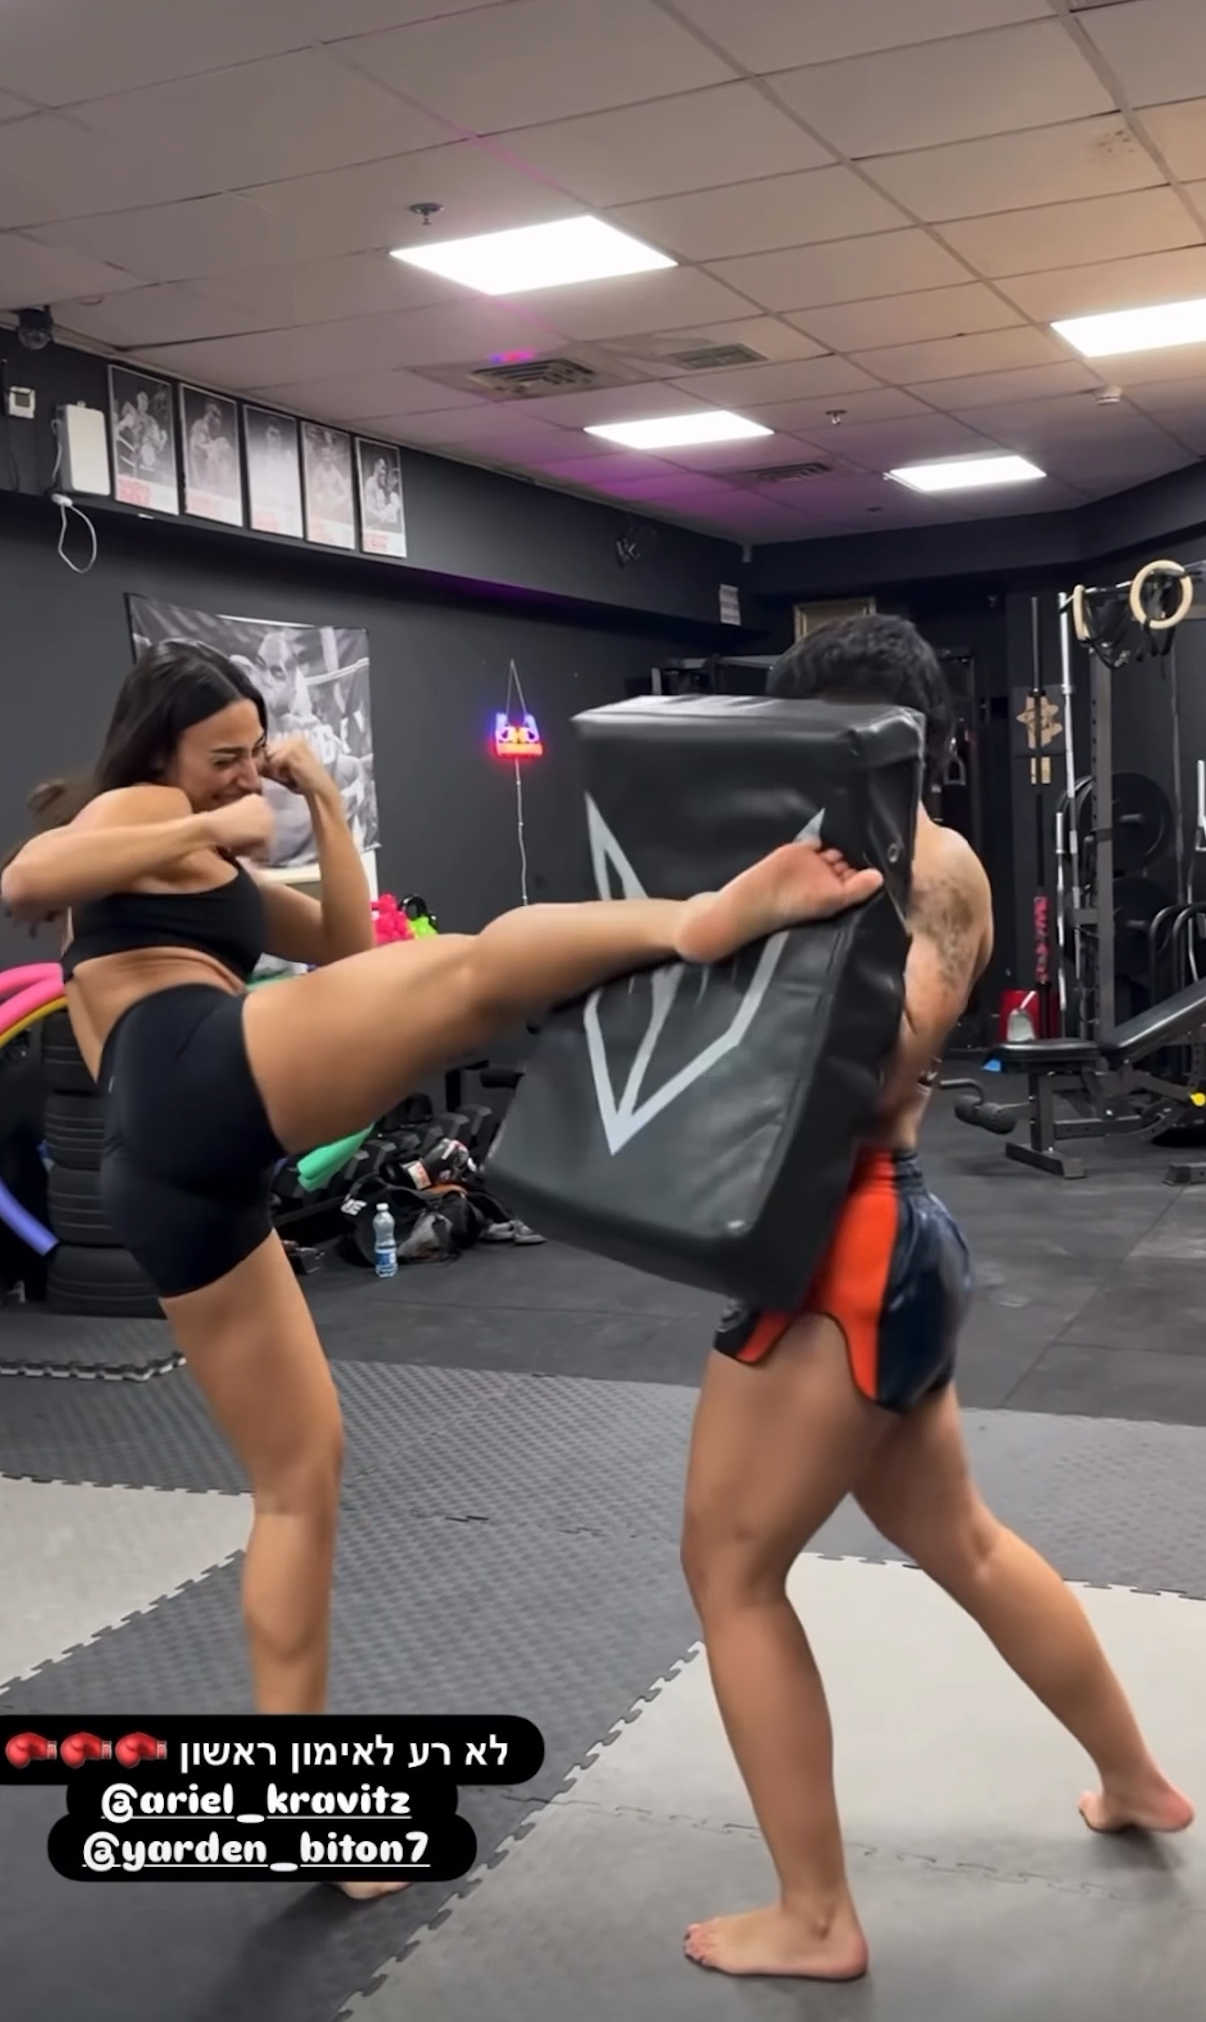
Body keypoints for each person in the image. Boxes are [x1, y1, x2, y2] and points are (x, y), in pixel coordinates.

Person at [1, 639, 882, 1902]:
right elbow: (27, 877)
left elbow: (343, 947)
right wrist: (212, 820)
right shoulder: (138, 806)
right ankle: (702, 921)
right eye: (221, 754)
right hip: (188, 1069)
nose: (242, 772)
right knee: (472, 969)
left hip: (173, 1170)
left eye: (253, 749)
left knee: (300, 1478)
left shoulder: (211, 840)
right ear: (160, 750)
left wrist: (316, 804)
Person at [679, 614, 1193, 1984]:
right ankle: (1137, 1781)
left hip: (847, 1246)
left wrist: (771, 926)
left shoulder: (930, 869)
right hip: (872, 1244)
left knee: (728, 1570)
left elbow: (882, 1057)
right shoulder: (817, 852)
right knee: (958, 1538)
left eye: (861, 739)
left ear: (919, 749)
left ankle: (814, 1916)